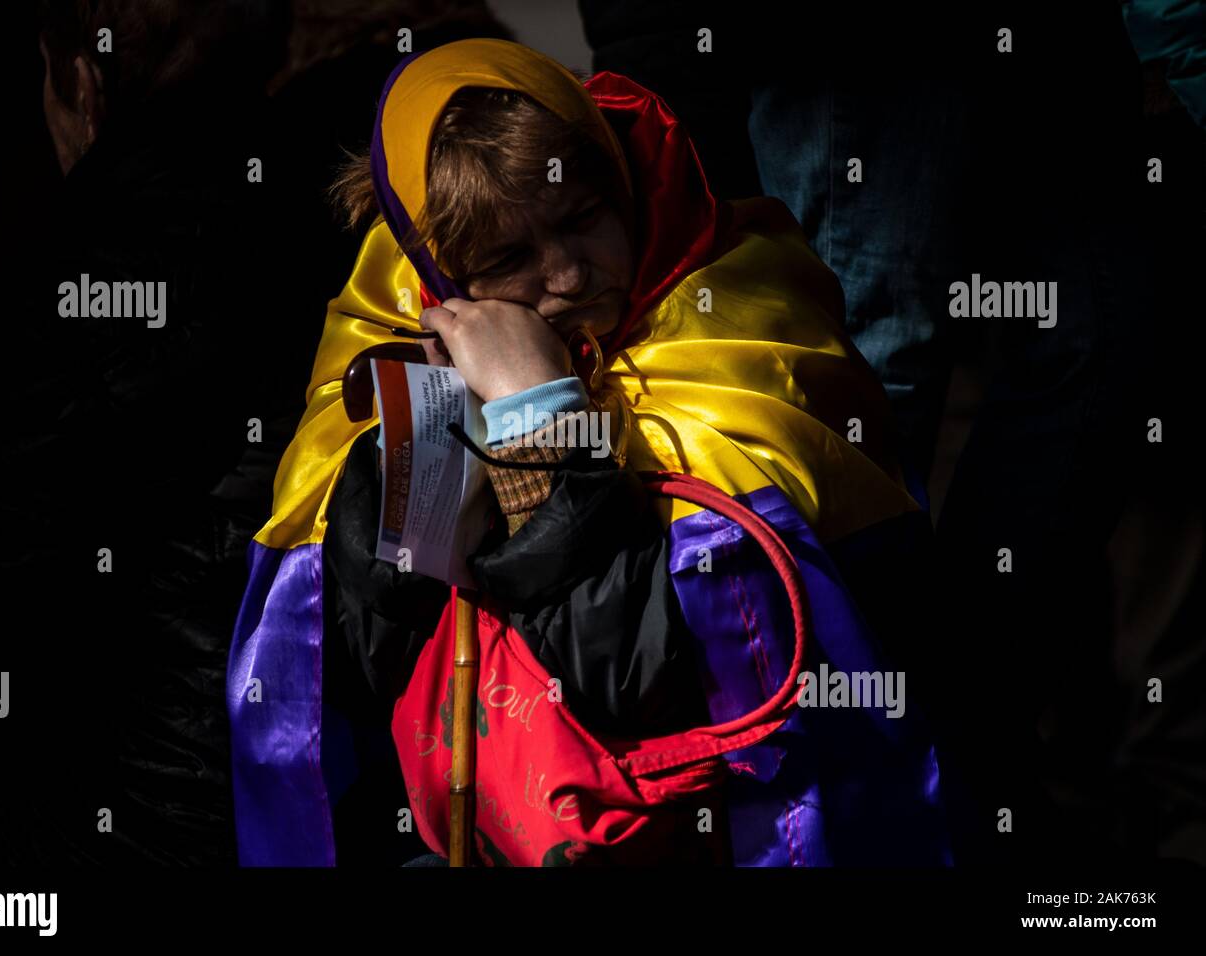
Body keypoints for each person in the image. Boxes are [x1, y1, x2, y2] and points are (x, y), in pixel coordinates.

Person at [227, 37, 949, 867]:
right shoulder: (389, 329)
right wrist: (430, 444)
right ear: (439, 275)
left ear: (623, 179)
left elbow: (642, 675)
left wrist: (542, 424)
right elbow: (359, 648)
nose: (567, 278)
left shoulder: (745, 315)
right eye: (507, 260)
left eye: (582, 219)